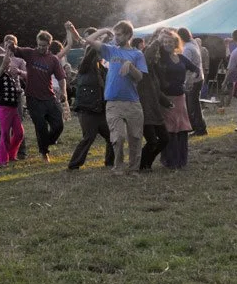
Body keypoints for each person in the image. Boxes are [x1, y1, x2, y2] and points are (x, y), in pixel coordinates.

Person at [76, 20, 147, 174]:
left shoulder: (137, 54)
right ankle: (118, 167)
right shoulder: (111, 50)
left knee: (135, 137)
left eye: (119, 34)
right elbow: (89, 41)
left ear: (128, 35)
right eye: (115, 34)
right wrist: (103, 30)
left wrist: (131, 67)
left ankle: (134, 168)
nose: (116, 37)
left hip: (132, 102)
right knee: (119, 137)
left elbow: (140, 77)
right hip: (113, 102)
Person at [13, 30, 68, 163]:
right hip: (33, 98)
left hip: (49, 97)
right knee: (41, 126)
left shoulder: (53, 59)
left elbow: (61, 78)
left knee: (58, 125)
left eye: (44, 45)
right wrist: (10, 45)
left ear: (49, 45)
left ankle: (45, 143)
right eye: (39, 45)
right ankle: (44, 152)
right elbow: (15, 49)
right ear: (37, 43)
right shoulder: (30, 53)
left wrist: (64, 93)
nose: (41, 48)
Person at [65, 26, 114, 170]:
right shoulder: (84, 66)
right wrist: (104, 36)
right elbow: (92, 51)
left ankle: (110, 162)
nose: (100, 54)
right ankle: (74, 165)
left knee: (111, 137)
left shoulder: (102, 69)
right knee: (89, 137)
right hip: (87, 109)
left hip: (99, 109)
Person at [158, 28, 200, 169]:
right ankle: (170, 160)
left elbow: (196, 69)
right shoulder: (160, 60)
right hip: (166, 99)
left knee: (181, 128)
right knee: (170, 129)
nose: (167, 44)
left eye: (170, 41)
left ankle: (181, 160)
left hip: (180, 97)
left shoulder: (181, 57)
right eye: (165, 42)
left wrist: (190, 80)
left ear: (176, 43)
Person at [0, 24, 28, 158]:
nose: (8, 45)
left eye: (12, 43)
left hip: (15, 93)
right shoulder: (0, 54)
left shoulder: (20, 59)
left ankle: (20, 151)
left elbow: (26, 75)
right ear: (3, 44)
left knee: (18, 123)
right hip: (0, 93)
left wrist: (20, 72)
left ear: (16, 45)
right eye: (6, 42)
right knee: (2, 124)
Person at [138, 39, 172, 171]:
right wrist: (158, 40)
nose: (157, 56)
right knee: (152, 141)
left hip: (155, 111)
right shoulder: (143, 69)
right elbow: (148, 55)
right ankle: (142, 164)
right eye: (156, 53)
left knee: (164, 139)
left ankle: (146, 163)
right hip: (145, 111)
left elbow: (156, 91)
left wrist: (166, 102)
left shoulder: (152, 71)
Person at [0, 47, 24, 166]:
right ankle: (2, 159)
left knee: (19, 133)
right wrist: (9, 52)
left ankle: (11, 154)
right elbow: (5, 61)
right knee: (4, 134)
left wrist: (18, 90)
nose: (10, 65)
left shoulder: (11, 77)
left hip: (14, 108)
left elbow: (12, 90)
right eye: (8, 63)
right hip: (4, 109)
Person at [178, 27, 207, 136]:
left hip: (192, 80)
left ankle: (199, 128)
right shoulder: (193, 44)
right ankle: (197, 127)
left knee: (192, 106)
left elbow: (184, 66)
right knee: (194, 104)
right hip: (198, 78)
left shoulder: (187, 49)